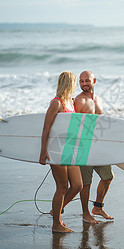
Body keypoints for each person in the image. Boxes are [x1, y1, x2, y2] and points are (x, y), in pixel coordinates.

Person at [39, 71, 83, 233]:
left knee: (77, 185)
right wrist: (43, 150)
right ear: (69, 83)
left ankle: (56, 211)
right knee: (62, 187)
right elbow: (46, 127)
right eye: (74, 82)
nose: (76, 85)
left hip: (69, 149)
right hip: (56, 150)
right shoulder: (56, 103)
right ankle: (56, 223)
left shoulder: (71, 103)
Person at [75, 70, 114, 224]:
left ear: (94, 81)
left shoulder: (99, 99)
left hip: (99, 144)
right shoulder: (79, 100)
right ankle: (85, 214)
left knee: (108, 177)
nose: (84, 84)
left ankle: (97, 207)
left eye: (87, 80)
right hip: (84, 145)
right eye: (81, 81)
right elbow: (73, 125)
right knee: (86, 183)